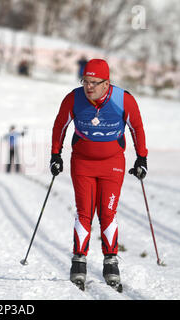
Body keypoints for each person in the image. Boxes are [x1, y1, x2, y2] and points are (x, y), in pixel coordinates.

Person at [50, 58, 148, 290]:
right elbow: (59, 126)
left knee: (107, 212)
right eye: (86, 81)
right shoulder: (73, 98)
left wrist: (141, 158)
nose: (89, 87)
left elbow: (137, 128)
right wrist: (55, 155)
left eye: (95, 82)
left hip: (112, 164)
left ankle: (111, 262)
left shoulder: (124, 100)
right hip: (82, 163)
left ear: (107, 83)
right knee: (84, 212)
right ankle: (78, 262)